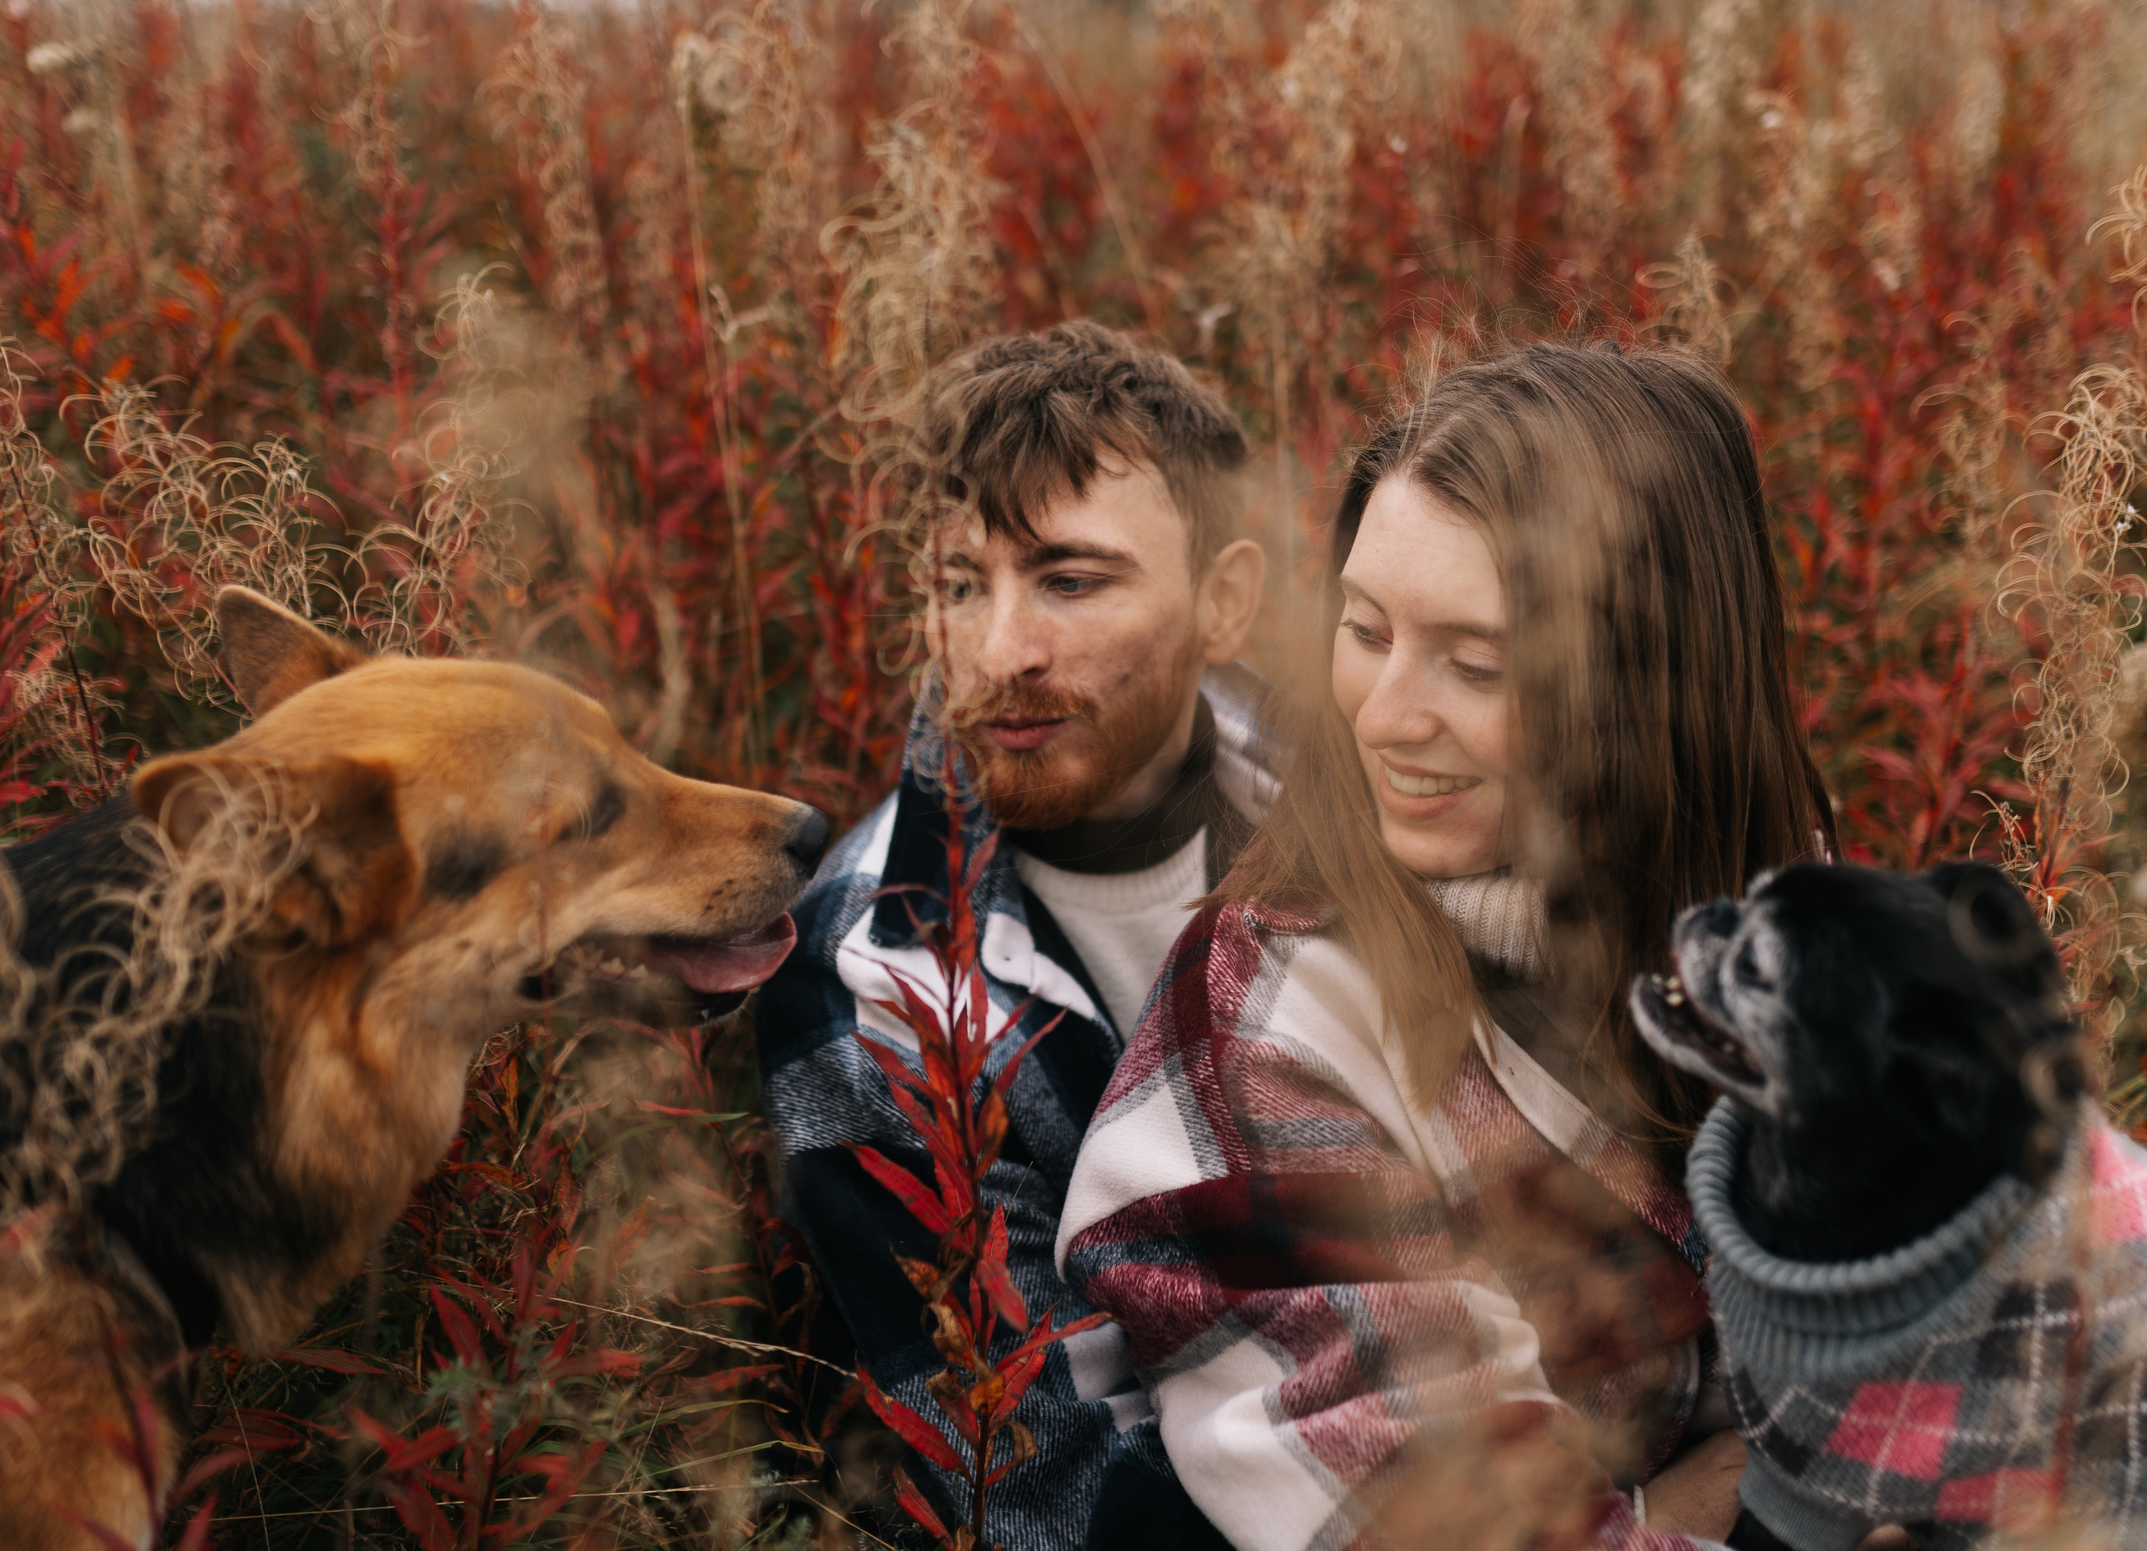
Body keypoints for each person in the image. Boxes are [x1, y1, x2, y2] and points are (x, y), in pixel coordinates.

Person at [1059, 341, 1836, 1551]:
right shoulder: (1271, 1024)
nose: (1384, 715)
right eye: (1364, 631)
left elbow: (1974, 1370)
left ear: (1651, 682)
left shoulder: (1779, 929)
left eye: (1476, 662)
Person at [757, 321, 1272, 1547]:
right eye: (956, 585)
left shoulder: (1357, 804)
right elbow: (1041, 1494)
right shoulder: (865, 980)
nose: (995, 654)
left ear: (1223, 602)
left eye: (1070, 580)